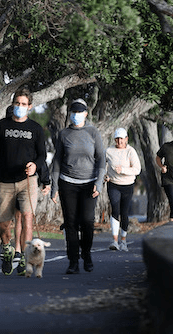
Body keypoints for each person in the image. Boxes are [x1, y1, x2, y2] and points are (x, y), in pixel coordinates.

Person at [0, 87, 50, 276]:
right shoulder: (1, 126)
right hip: (4, 181)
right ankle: (7, 248)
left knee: (27, 217)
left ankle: (24, 257)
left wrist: (35, 166)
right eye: (17, 103)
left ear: (30, 107)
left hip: (27, 181)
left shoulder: (35, 129)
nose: (20, 107)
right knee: (3, 224)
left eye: (23, 104)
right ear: (12, 105)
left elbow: (42, 155)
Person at [51, 98, 105, 274]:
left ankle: (87, 255)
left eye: (79, 112)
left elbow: (102, 159)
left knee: (88, 222)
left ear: (86, 114)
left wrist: (99, 182)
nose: (76, 115)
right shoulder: (64, 134)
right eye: (73, 112)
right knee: (71, 223)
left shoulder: (93, 132)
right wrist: (54, 187)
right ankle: (73, 261)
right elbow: (57, 160)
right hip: (68, 183)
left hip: (89, 184)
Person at [105, 127, 141, 251]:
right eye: (117, 139)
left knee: (124, 212)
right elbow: (102, 165)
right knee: (115, 209)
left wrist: (124, 170)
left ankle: (123, 240)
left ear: (126, 139)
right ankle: (114, 241)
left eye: (122, 139)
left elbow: (137, 169)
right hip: (113, 184)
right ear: (114, 139)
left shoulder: (131, 151)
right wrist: (105, 175)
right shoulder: (109, 150)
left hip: (127, 185)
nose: (119, 141)